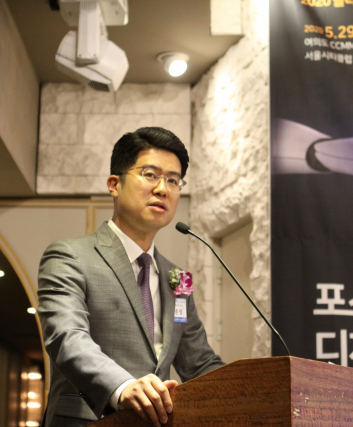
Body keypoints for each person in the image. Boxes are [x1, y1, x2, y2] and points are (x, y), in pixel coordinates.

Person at [37, 127, 224, 427]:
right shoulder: (69, 256)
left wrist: (259, 388)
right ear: (114, 184)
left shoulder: (179, 279)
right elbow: (67, 339)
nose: (163, 189)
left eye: (173, 180)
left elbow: (199, 363)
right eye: (150, 175)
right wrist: (123, 387)